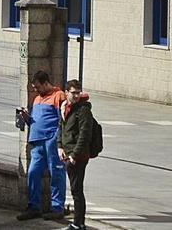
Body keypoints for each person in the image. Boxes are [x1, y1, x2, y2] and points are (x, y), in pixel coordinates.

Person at [17, 71, 67, 221]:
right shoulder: (37, 99)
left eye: (38, 87)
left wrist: (60, 141)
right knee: (33, 173)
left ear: (46, 83)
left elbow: (63, 119)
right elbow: (35, 120)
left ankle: (57, 208)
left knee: (56, 174)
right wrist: (26, 118)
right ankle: (34, 206)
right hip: (38, 143)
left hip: (51, 141)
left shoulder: (58, 96)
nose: (36, 90)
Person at [58, 80, 95, 230]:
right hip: (67, 153)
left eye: (78, 92)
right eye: (73, 93)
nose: (76, 95)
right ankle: (78, 223)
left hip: (79, 156)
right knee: (75, 189)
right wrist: (60, 146)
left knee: (77, 189)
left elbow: (85, 135)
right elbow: (62, 128)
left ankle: (79, 224)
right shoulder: (65, 107)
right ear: (66, 93)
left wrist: (74, 155)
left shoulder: (83, 110)